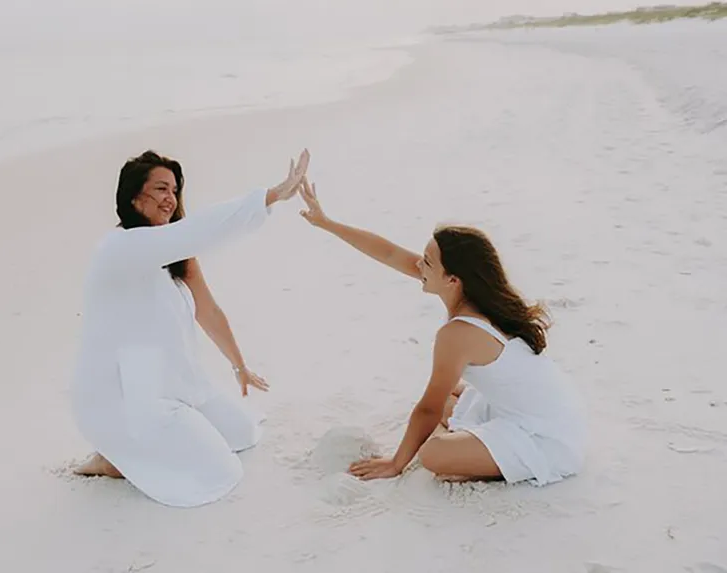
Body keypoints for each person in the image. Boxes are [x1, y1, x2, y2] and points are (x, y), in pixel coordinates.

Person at [296, 177, 587, 486]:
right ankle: (476, 450)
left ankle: (485, 462)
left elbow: (428, 409)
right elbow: (391, 254)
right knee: (452, 396)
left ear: (453, 280)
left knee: (432, 453)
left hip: (547, 437)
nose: (419, 265)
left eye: (428, 263)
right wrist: (326, 223)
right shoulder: (479, 296)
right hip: (550, 412)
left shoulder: (458, 333)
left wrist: (396, 463)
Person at [70, 148, 311, 507]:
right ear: (135, 196)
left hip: (179, 382)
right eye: (161, 189)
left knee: (243, 433)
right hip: (129, 396)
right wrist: (271, 195)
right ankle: (113, 457)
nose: (171, 199)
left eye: (174, 190)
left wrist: (239, 366)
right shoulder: (121, 247)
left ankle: (154, 445)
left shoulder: (174, 253)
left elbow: (209, 311)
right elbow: (201, 230)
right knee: (220, 471)